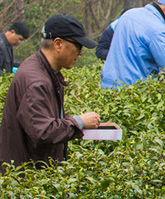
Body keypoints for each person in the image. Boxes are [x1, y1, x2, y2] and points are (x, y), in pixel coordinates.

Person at [0, 14, 101, 174]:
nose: (80, 53)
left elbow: (44, 120)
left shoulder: (42, 69)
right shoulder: (36, 81)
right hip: (27, 179)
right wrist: (78, 122)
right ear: (58, 44)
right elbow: (42, 132)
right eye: (78, 46)